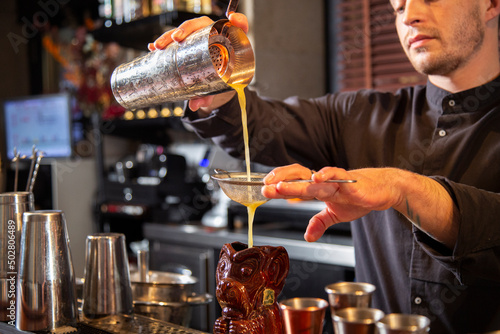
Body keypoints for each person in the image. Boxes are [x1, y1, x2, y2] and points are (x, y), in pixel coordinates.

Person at [149, 0, 500, 332]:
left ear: (491, 4)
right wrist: (213, 77)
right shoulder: (359, 115)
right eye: (398, 6)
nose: (409, 16)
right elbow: (259, 125)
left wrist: (404, 189)